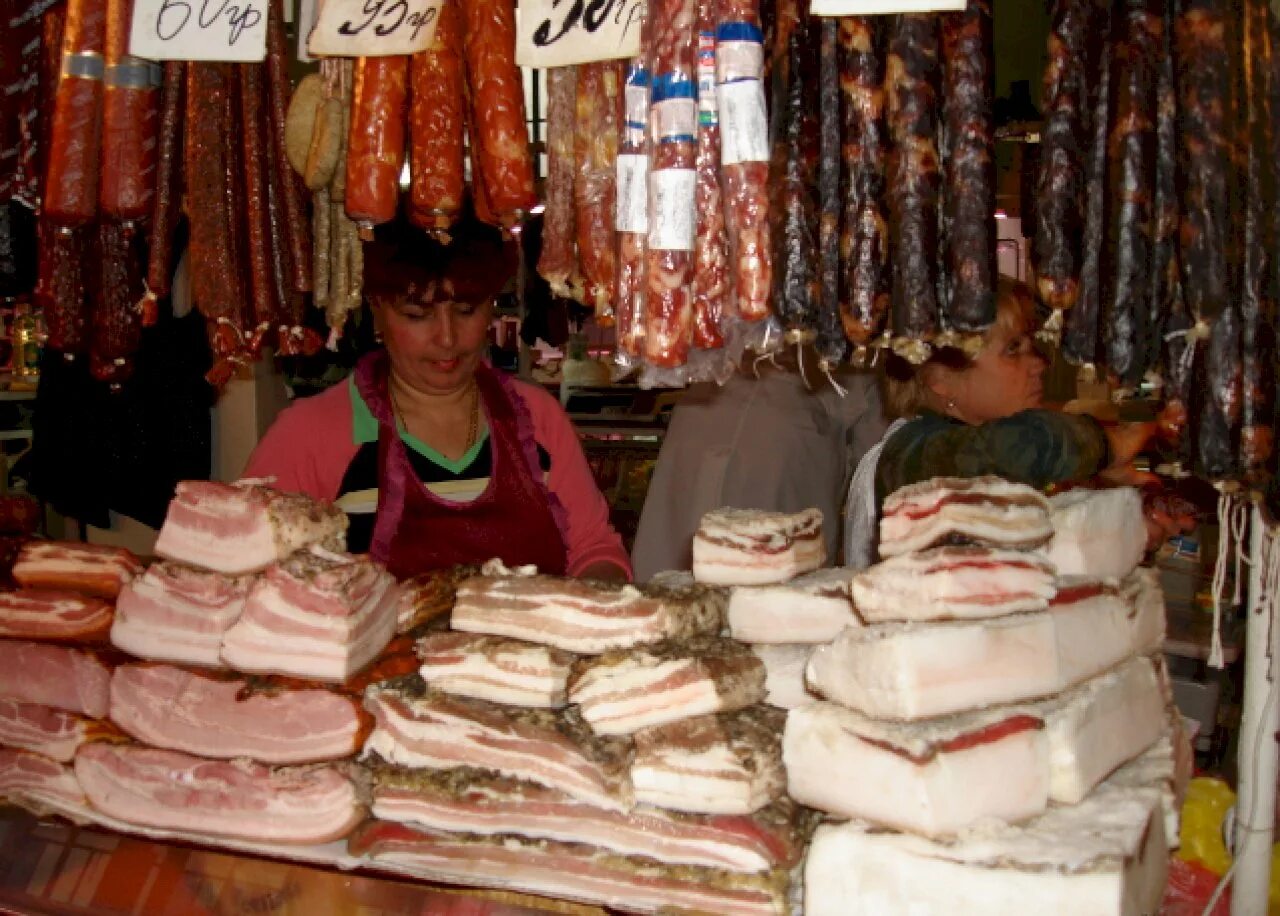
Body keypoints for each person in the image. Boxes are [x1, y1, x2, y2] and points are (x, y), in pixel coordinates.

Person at [243, 219, 631, 582]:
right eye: (417, 314)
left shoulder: (538, 418)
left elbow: (594, 549)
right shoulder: (309, 434)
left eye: (467, 310)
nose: (447, 338)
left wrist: (593, 609)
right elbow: (251, 574)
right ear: (377, 309)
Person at [843, 277, 1191, 568]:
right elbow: (1021, 446)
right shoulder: (912, 450)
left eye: (1030, 346)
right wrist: (1109, 444)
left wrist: (1129, 523)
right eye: (1013, 349)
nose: (1038, 363)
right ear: (941, 379)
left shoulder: (972, 452)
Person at [631, 357, 888, 582]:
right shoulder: (861, 353)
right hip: (783, 438)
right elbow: (874, 482)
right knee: (768, 585)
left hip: (705, 412)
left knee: (673, 571)